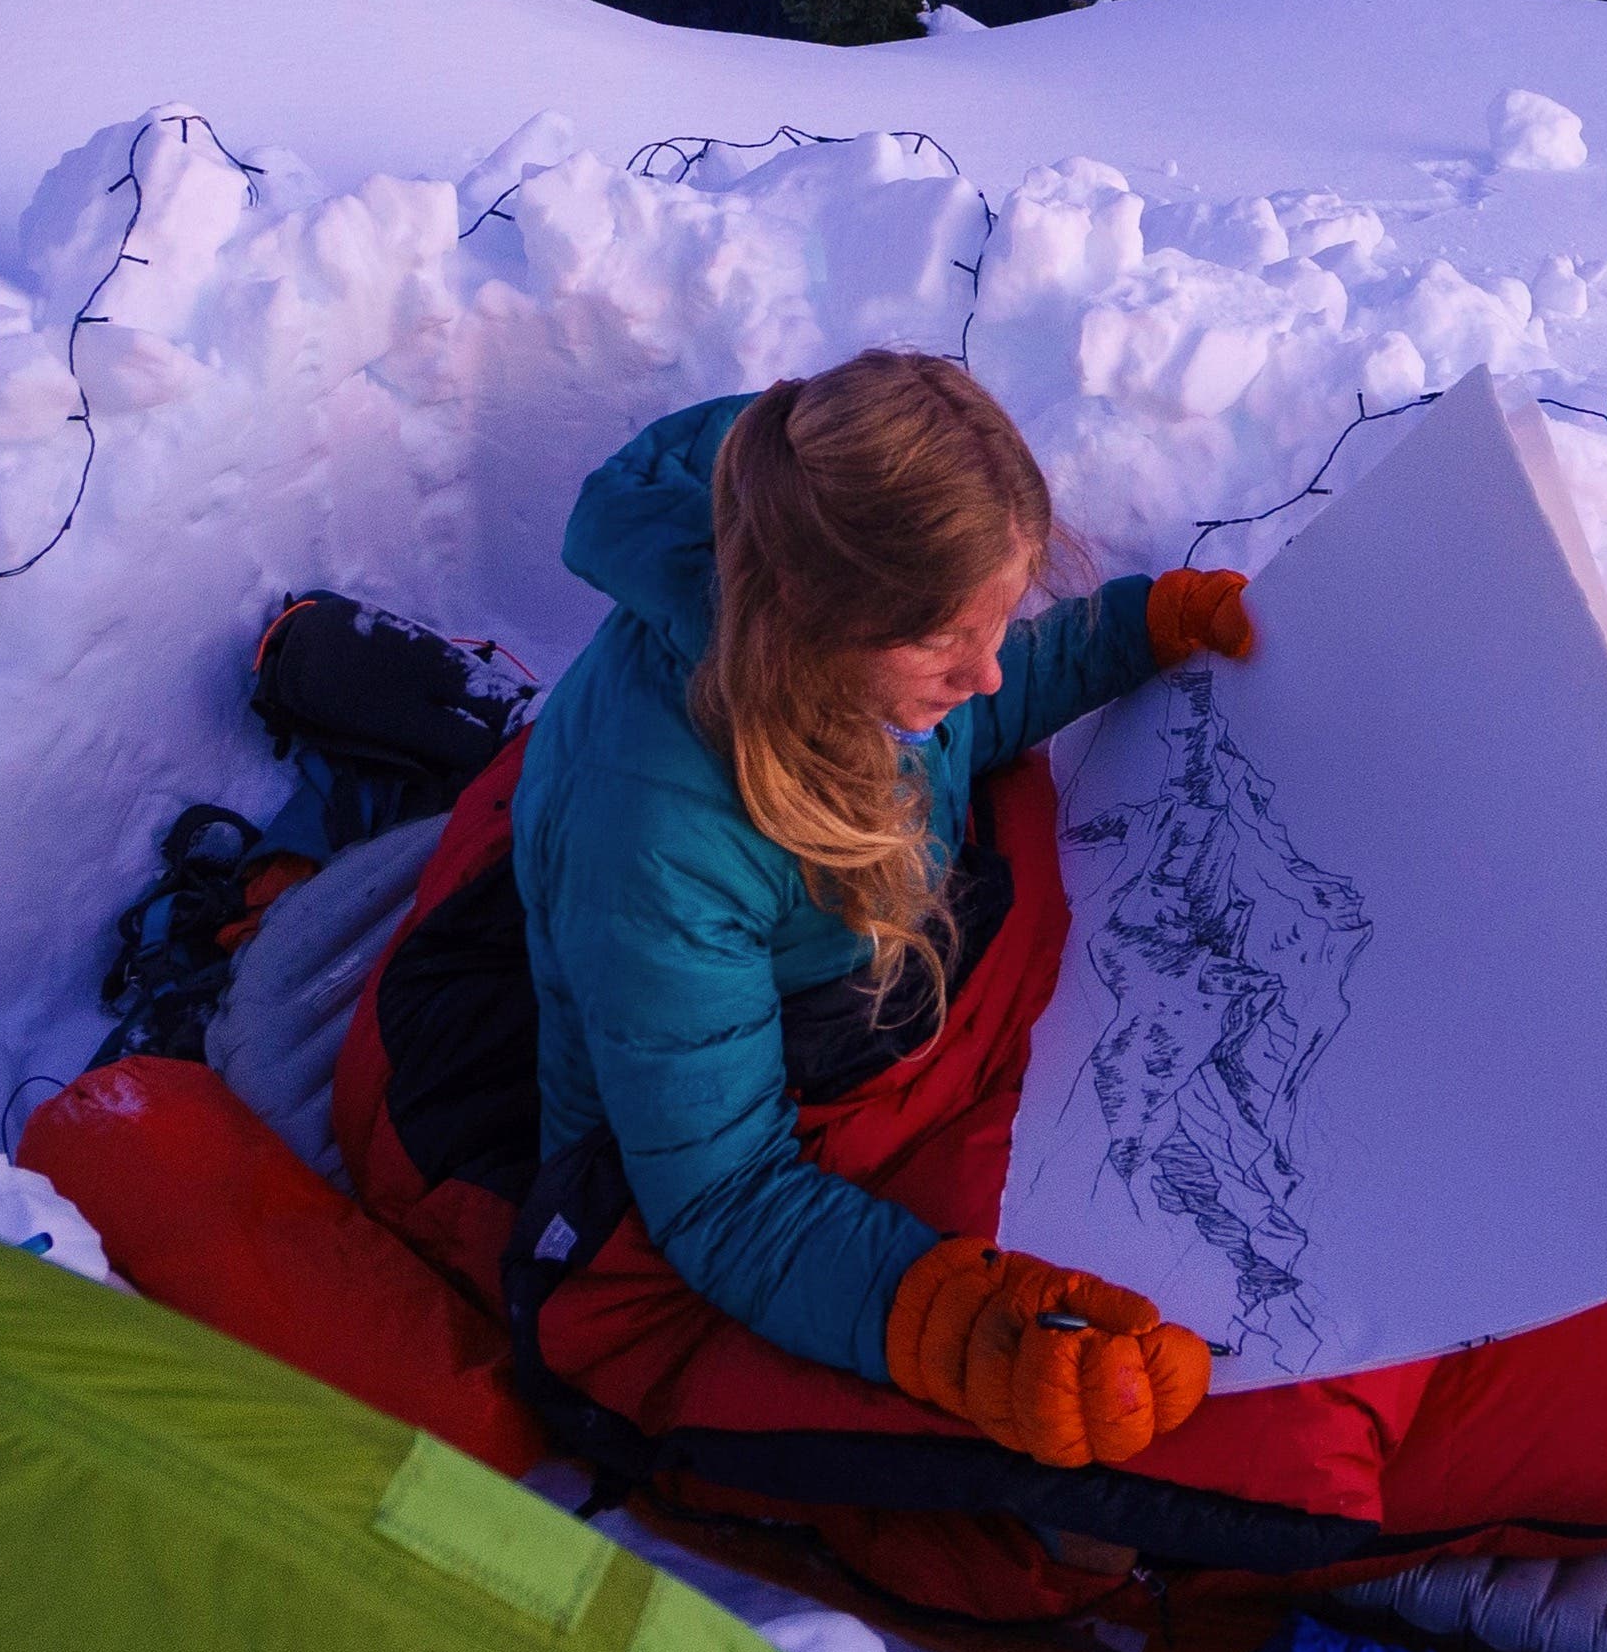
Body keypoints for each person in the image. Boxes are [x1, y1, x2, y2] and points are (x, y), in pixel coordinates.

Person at [509, 350, 1259, 1475]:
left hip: (844, 982)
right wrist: (953, 1327)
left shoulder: (833, 592)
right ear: (809, 630)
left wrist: (1137, 629)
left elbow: (967, 727)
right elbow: (722, 1194)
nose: (991, 676)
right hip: (708, 1138)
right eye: (949, 645)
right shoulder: (665, 839)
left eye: (997, 629)